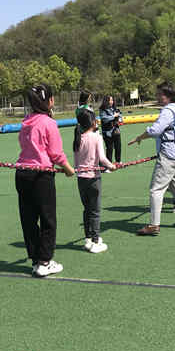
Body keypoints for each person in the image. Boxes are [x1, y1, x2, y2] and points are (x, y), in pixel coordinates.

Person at [15, 84, 75, 276]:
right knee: (48, 218)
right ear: (49, 101)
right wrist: (68, 169)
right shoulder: (48, 123)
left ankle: (36, 259)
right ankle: (45, 261)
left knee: (29, 219)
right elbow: (56, 154)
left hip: (22, 173)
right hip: (40, 175)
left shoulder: (26, 121)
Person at [129, 83, 175, 234]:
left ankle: (153, 225)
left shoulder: (167, 111)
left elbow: (155, 130)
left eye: (160, 95)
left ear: (168, 96)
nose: (157, 97)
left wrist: (140, 137)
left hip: (168, 155)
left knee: (156, 189)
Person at [73, 108, 116, 254]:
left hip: (81, 179)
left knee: (87, 209)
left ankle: (88, 239)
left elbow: (76, 162)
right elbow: (102, 159)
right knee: (95, 211)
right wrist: (112, 166)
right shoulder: (96, 136)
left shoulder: (78, 137)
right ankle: (96, 241)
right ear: (92, 122)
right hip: (93, 178)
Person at [99, 95, 122, 164]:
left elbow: (120, 116)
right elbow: (105, 119)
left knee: (118, 147)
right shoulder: (102, 110)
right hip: (107, 132)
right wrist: (114, 116)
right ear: (106, 101)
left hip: (116, 131)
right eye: (110, 100)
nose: (111, 102)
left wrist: (120, 119)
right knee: (109, 148)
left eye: (112, 100)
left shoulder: (115, 108)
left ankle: (118, 162)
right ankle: (109, 164)